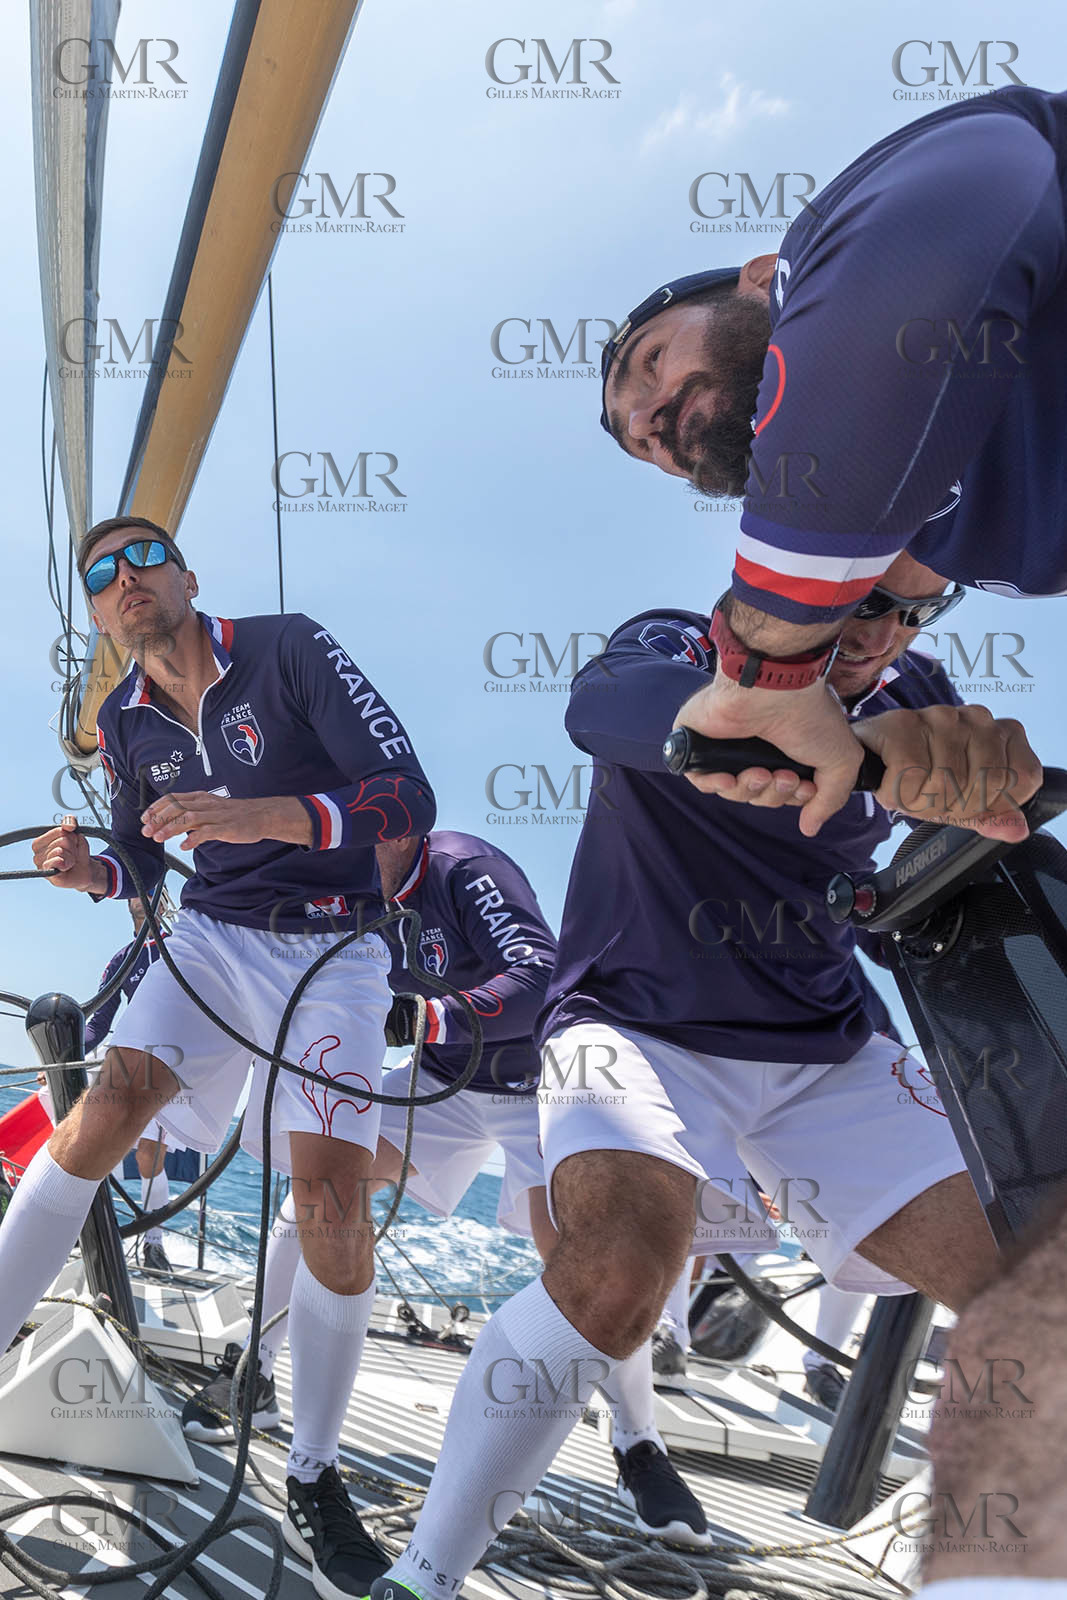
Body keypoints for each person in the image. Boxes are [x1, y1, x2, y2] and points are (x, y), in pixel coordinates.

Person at [366, 552, 1016, 1600]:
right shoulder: (675, 642)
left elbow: (942, 861)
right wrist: (853, 748)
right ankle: (422, 1577)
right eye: (856, 596)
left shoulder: (918, 693)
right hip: (633, 1024)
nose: (881, 630)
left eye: (910, 608)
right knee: (618, 1274)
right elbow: (610, 710)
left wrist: (985, 785)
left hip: (828, 1046)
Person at [13, 514, 435, 1600]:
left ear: (187, 575)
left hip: (334, 947)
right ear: (100, 614)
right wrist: (89, 873)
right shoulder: (120, 719)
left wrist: (266, 815)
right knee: (100, 1115)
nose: (123, 579)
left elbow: (402, 792)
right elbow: (142, 862)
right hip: (209, 938)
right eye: (99, 573)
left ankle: (315, 1468)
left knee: (329, 1201)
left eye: (142, 556)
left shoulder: (290, 648)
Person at [183, 829, 714, 1548]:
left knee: (588, 1258)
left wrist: (429, 1015)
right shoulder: (343, 895)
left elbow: (536, 973)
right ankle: (255, 1368)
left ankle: (637, 1442)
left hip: (542, 1077)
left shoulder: (464, 867)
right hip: (442, 1077)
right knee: (324, 1193)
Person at [599, 87, 1067, 839]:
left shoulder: (824, 243)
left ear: (758, 277)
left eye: (651, 361)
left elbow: (959, 211)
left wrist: (766, 667)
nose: (649, 421)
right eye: (644, 446)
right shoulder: (975, 548)